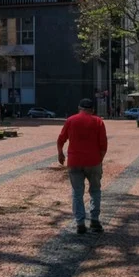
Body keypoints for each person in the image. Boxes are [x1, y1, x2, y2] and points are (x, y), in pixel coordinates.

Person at [57, 98, 108, 234]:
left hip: (74, 161)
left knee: (77, 192)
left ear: (79, 108)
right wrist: (99, 160)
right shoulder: (98, 121)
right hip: (93, 161)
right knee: (95, 191)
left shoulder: (71, 120)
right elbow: (103, 145)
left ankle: (80, 223)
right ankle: (95, 221)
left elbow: (61, 139)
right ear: (92, 110)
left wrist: (60, 154)